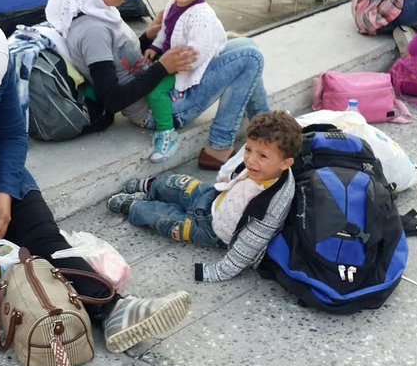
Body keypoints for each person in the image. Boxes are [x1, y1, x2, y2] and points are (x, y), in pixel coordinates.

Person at [0, 0, 192, 354]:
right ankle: (11, 276)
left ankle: (115, 308)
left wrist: (5, 191)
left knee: (44, 237)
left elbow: (11, 133)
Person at [47, 0, 270, 171]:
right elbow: (112, 98)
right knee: (250, 58)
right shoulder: (92, 31)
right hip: (157, 108)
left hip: (160, 88)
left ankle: (267, 129)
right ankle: (221, 145)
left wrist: (148, 38)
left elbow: (122, 61)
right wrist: (162, 67)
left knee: (247, 46)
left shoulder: (98, 14)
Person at [107, 111, 301, 283]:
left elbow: (248, 246)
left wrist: (216, 273)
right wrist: (229, 180)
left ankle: (133, 207)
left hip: (212, 231)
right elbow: (239, 173)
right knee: (178, 184)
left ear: (286, 163)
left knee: (165, 220)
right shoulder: (261, 167)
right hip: (215, 197)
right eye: (248, 150)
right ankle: (150, 186)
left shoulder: (273, 204)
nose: (250, 159)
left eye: (262, 156)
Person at [141, 0, 228, 164]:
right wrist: (155, 47)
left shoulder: (200, 15)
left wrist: (171, 69)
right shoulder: (173, 4)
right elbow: (165, 32)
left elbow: (196, 54)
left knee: (155, 93)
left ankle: (167, 133)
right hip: (168, 58)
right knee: (141, 75)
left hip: (180, 64)